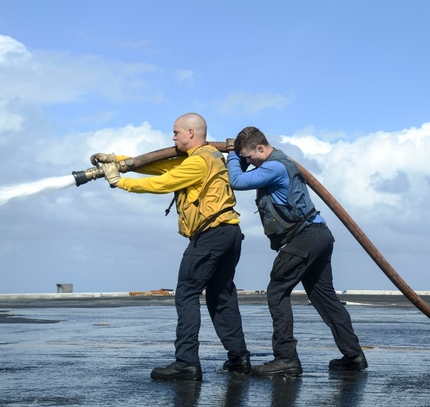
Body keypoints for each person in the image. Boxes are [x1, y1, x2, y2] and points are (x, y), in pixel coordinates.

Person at [93, 113, 251, 381]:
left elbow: (163, 182)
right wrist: (118, 161)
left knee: (187, 293)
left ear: (191, 132)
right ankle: (239, 359)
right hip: (229, 233)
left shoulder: (199, 161)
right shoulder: (207, 156)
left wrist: (119, 182)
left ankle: (186, 363)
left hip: (211, 234)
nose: (173, 136)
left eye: (176, 132)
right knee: (221, 295)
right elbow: (159, 167)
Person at [226, 126, 367, 376]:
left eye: (249, 157)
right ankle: (353, 355)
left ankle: (286, 358)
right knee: (325, 298)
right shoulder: (278, 162)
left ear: (261, 148)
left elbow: (236, 181)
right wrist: (240, 154)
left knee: (277, 290)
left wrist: (233, 157)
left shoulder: (275, 166)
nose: (248, 162)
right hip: (318, 235)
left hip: (305, 238)